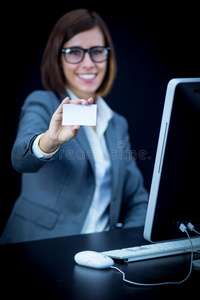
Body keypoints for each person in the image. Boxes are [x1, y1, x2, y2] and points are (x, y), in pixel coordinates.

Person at [0, 9, 148, 244]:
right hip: (38, 249)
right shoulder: (42, 102)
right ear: (58, 59)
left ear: (107, 57)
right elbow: (21, 159)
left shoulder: (116, 123)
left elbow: (138, 200)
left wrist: (124, 245)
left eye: (97, 52)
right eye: (75, 52)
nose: (88, 63)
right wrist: (50, 141)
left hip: (97, 257)